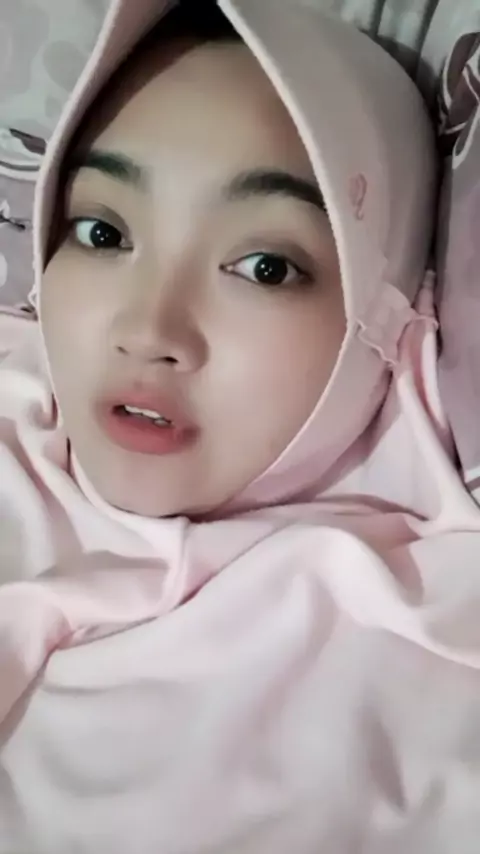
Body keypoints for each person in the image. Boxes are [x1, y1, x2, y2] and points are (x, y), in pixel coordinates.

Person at [1, 0, 480, 851]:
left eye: (264, 267)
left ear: (388, 319)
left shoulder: (430, 668)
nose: (149, 331)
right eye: (103, 231)